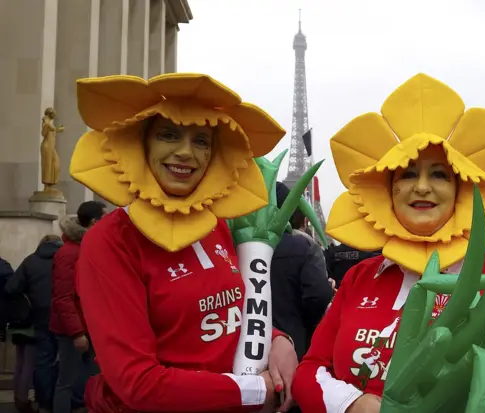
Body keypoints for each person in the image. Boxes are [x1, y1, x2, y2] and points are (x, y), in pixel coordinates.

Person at [292, 73, 485, 412]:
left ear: (463, 189)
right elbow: (310, 370)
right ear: (387, 191)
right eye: (408, 174)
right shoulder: (360, 278)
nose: (422, 187)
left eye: (440, 174)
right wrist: (352, 404)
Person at [69, 73, 298, 413]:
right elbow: (137, 382)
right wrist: (253, 390)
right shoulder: (111, 241)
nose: (185, 152)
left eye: (202, 141)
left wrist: (279, 340)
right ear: (142, 142)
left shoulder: (216, 225)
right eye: (169, 135)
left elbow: (231, 315)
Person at [50, 201, 106, 413]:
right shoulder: (69, 253)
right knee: (66, 381)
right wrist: (77, 333)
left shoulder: (92, 247)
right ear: (94, 222)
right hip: (73, 331)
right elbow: (63, 297)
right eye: (104, 217)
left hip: (90, 327)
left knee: (94, 379)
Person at [271, 182, 333, 361]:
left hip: (247, 345)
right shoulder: (304, 247)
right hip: (293, 340)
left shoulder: (238, 246)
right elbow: (318, 295)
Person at [5, 234, 62, 413]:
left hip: (38, 318)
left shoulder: (31, 261)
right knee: (65, 362)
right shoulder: (67, 258)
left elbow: (11, 288)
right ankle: (61, 402)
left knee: (41, 362)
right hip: (65, 317)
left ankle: (42, 403)